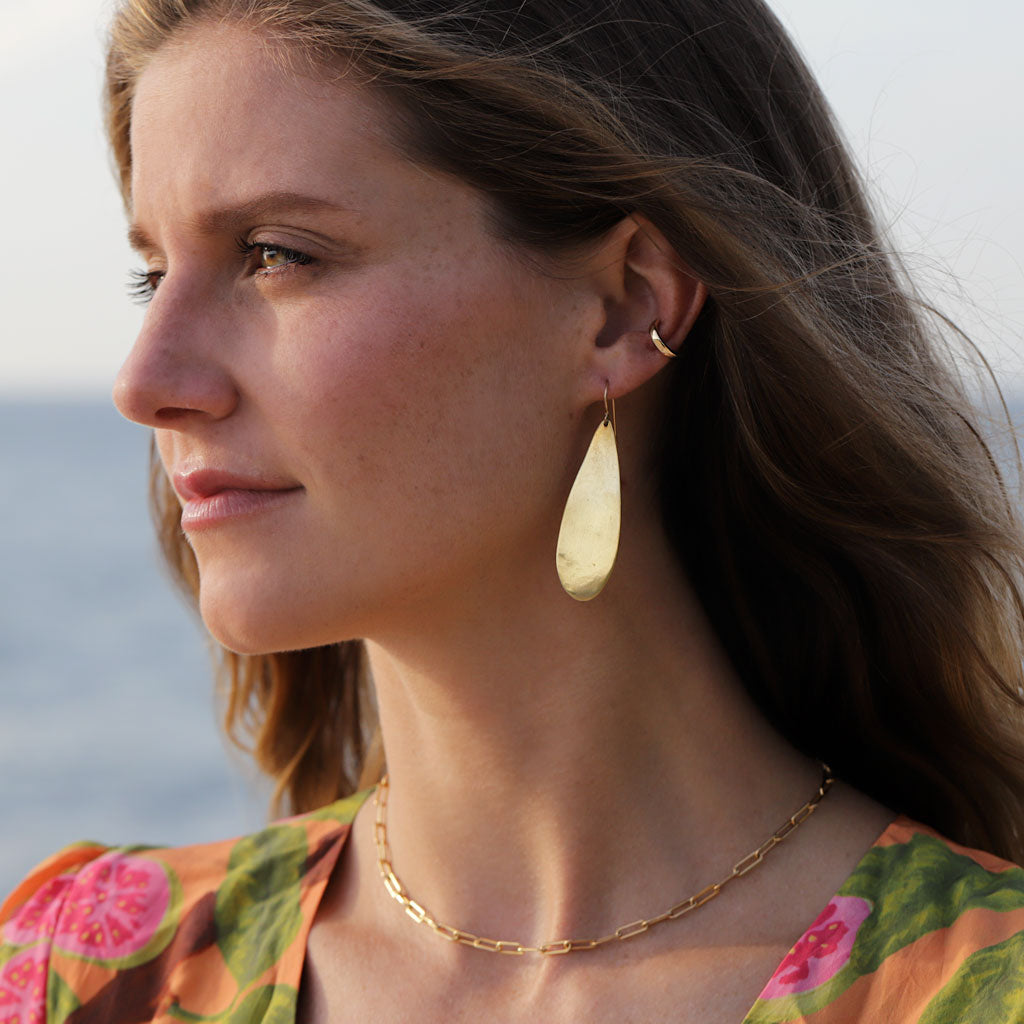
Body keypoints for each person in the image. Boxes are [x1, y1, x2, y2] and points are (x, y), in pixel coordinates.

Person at [3, 0, 1024, 1020]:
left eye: (276, 254)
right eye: (151, 276)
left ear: (623, 307)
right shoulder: (84, 977)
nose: (144, 382)